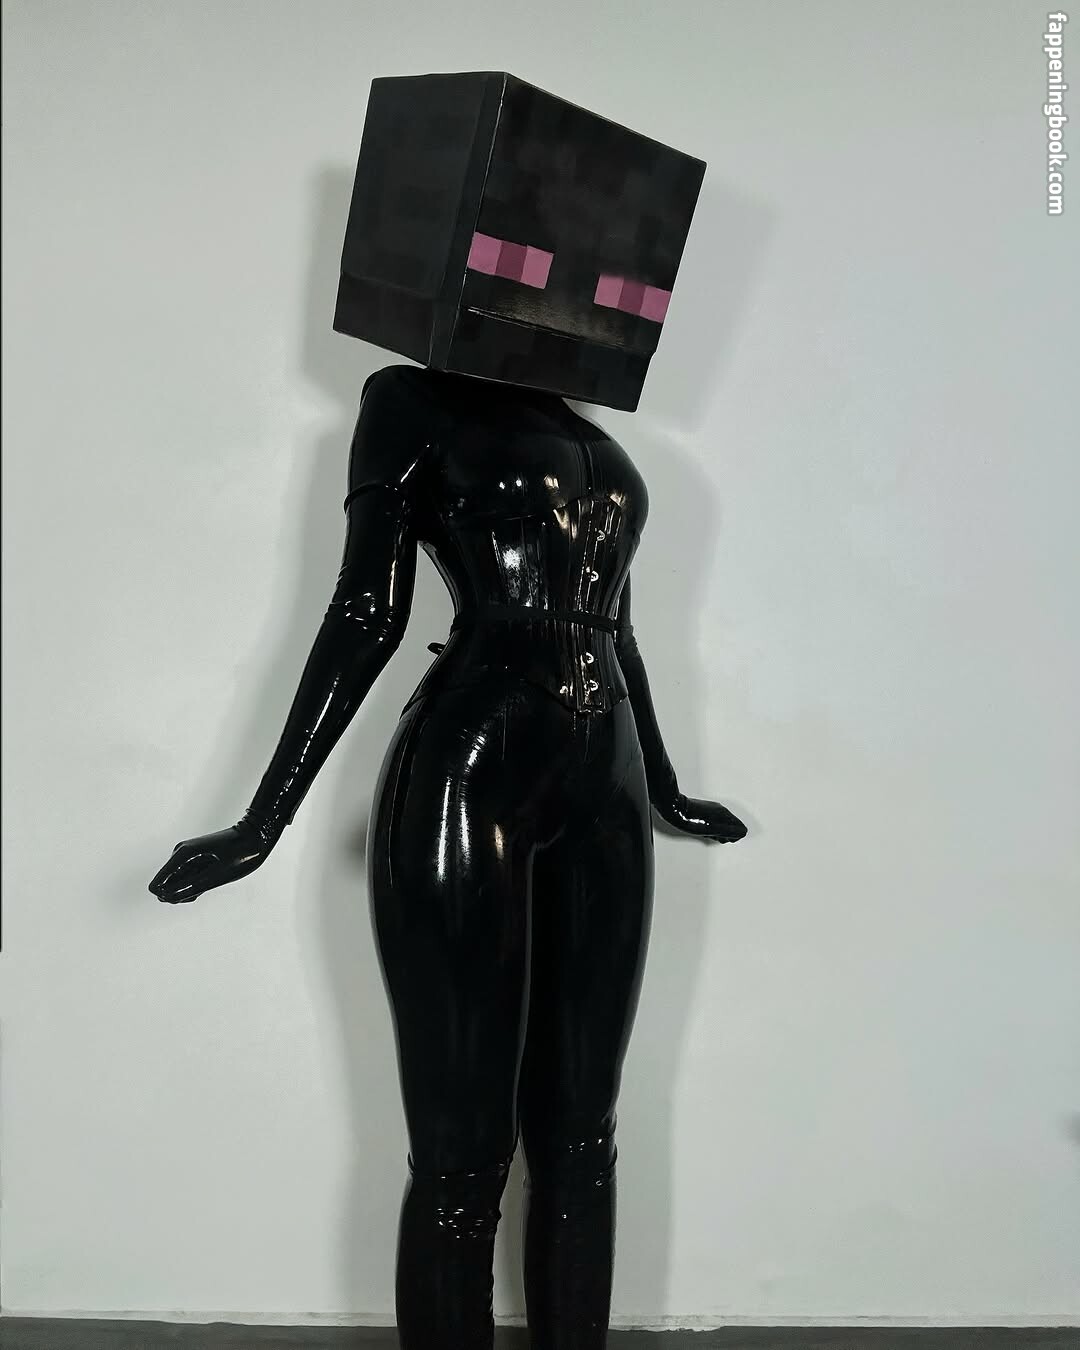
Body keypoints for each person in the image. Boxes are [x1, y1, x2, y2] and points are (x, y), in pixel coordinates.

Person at [150, 69, 749, 1350]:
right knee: (465, 1150)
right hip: (472, 762)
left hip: (603, 780)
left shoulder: (593, 433)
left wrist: (665, 782)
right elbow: (365, 614)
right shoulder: (409, 403)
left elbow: (617, 627)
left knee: (583, 1132)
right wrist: (261, 819)